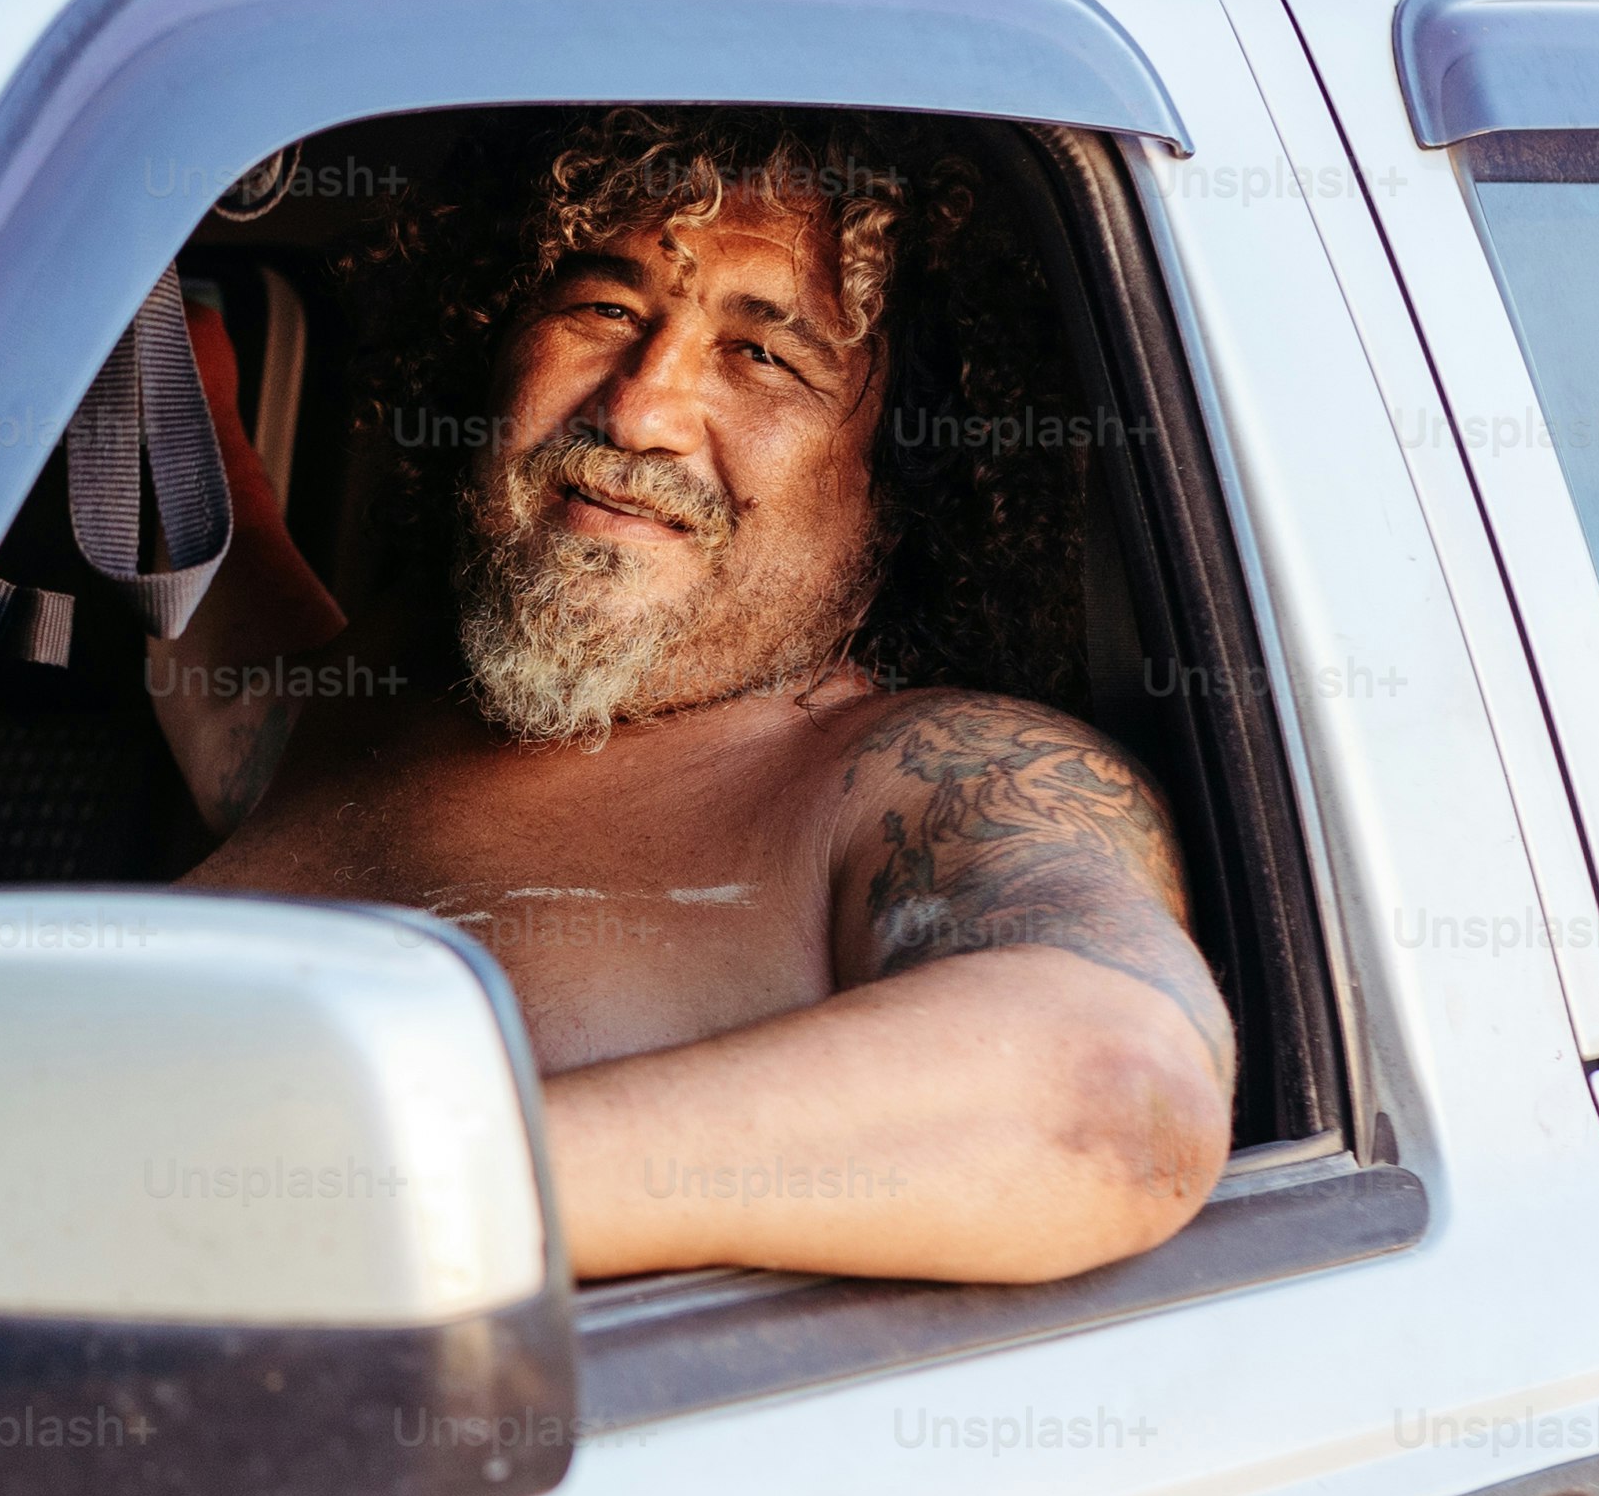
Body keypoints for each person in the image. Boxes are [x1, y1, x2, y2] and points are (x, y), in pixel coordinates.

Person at [152, 110, 1233, 1288]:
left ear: (904, 469)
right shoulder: (389, 694)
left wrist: (304, 1207)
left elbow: (1110, 1100)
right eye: (604, 311)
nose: (636, 409)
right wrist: (152, 344)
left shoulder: (931, 773)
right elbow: (221, 670)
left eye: (763, 356)